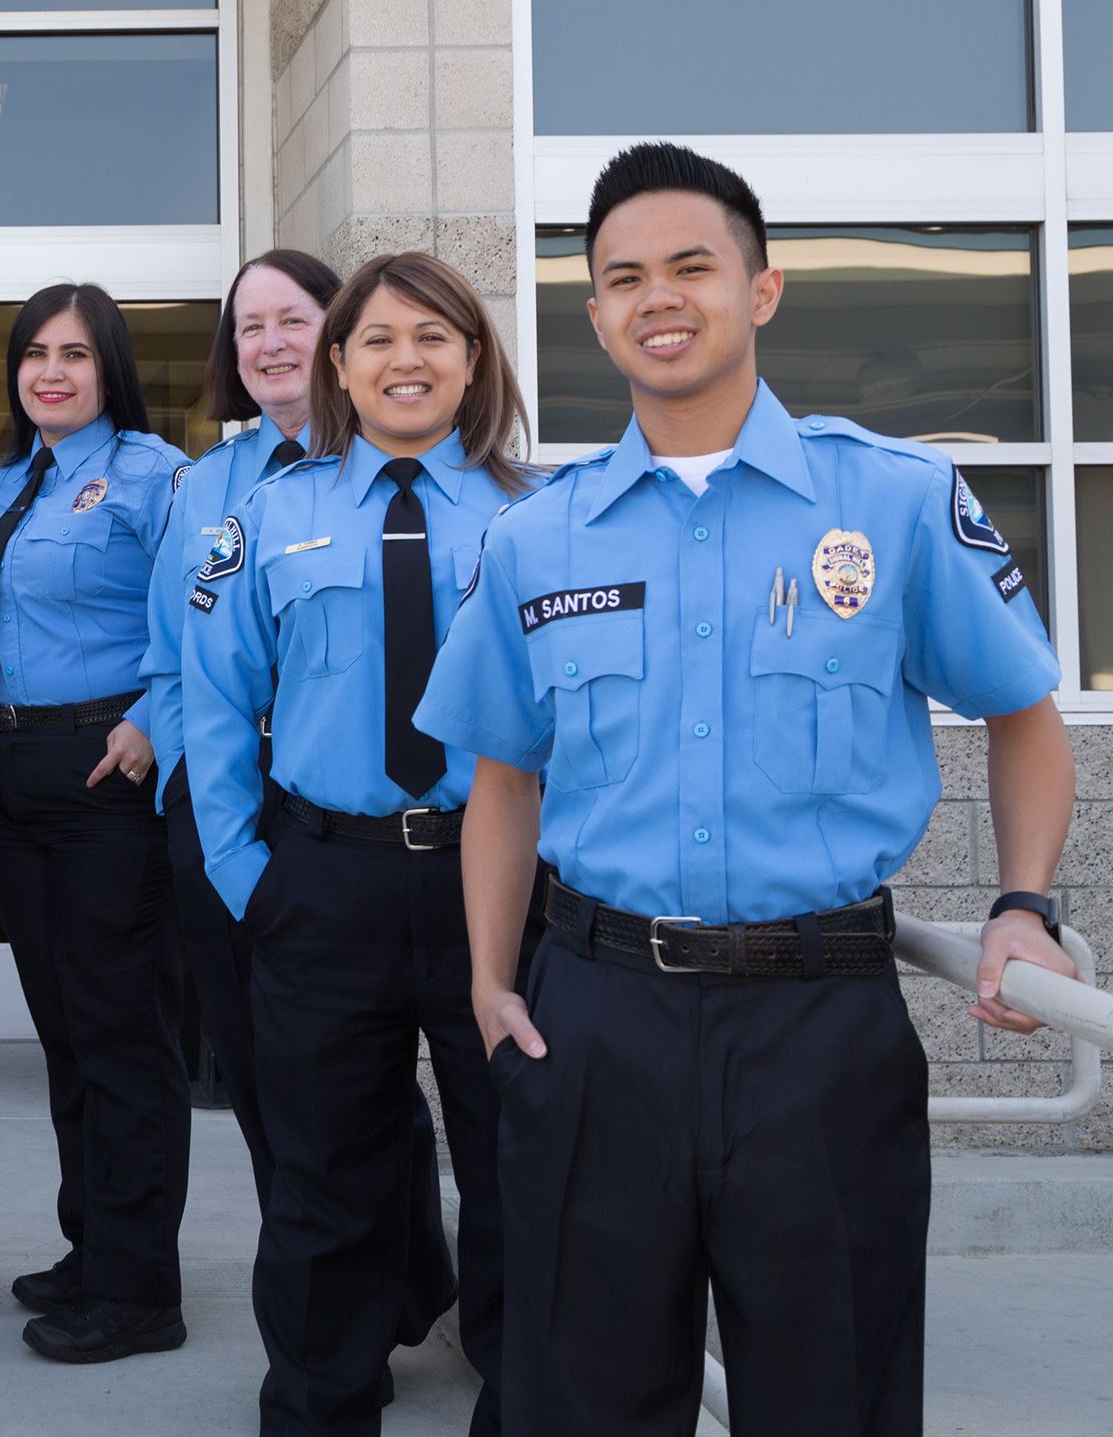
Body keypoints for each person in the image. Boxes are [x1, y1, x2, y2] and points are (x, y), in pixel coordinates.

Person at [415, 143, 1078, 1437]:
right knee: (581, 1401)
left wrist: (1022, 903)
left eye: (691, 266)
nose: (658, 297)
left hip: (821, 1026)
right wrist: (493, 985)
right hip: (596, 1022)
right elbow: (504, 774)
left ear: (762, 288)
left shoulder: (891, 502)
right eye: (622, 277)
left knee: (833, 1395)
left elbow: (1022, 712)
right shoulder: (539, 536)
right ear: (595, 312)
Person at [184, 251, 535, 1436]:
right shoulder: (269, 514)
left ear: (472, 360)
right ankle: (319, 1398)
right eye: (377, 339)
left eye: (432, 337)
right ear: (338, 363)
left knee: (511, 1160)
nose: (404, 360)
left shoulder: (534, 518)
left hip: (494, 887)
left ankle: (518, 1375)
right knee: (325, 1172)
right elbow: (214, 697)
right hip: (321, 880)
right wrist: (248, 874)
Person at [140, 250, 456, 1392]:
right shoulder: (208, 487)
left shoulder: (430, 472)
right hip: (257, 835)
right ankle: (341, 1315)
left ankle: (411, 1285)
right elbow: (174, 658)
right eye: (247, 326)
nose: (267, 341)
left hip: (408, 829)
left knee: (396, 1103)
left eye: (290, 317)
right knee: (290, 1097)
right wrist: (210, 820)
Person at [0, 283, 191, 1364]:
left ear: (111, 369)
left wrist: (152, 719)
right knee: (65, 1030)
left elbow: (206, 612)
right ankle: (90, 1248)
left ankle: (139, 1290)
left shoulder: (153, 474)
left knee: (119, 1033)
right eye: (34, 353)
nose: (50, 371)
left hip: (99, 768)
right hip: (2, 771)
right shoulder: (0, 485)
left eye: (75, 355)